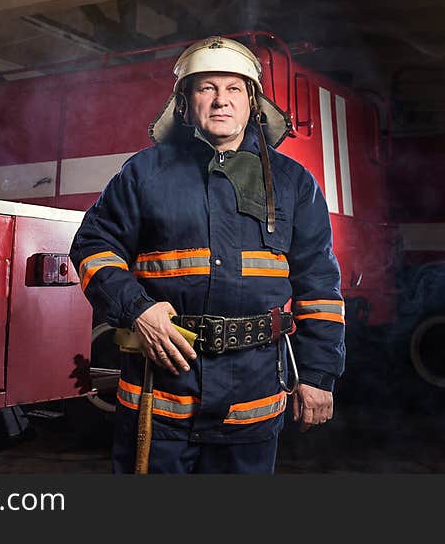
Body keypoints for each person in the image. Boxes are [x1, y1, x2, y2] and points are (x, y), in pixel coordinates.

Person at [69, 35, 345, 474]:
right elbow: (92, 246)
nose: (221, 100)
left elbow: (320, 285)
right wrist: (138, 310)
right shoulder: (144, 172)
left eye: (234, 88)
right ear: (184, 102)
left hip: (251, 401)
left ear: (253, 102)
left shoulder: (294, 183)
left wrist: (317, 376)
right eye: (206, 88)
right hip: (159, 397)